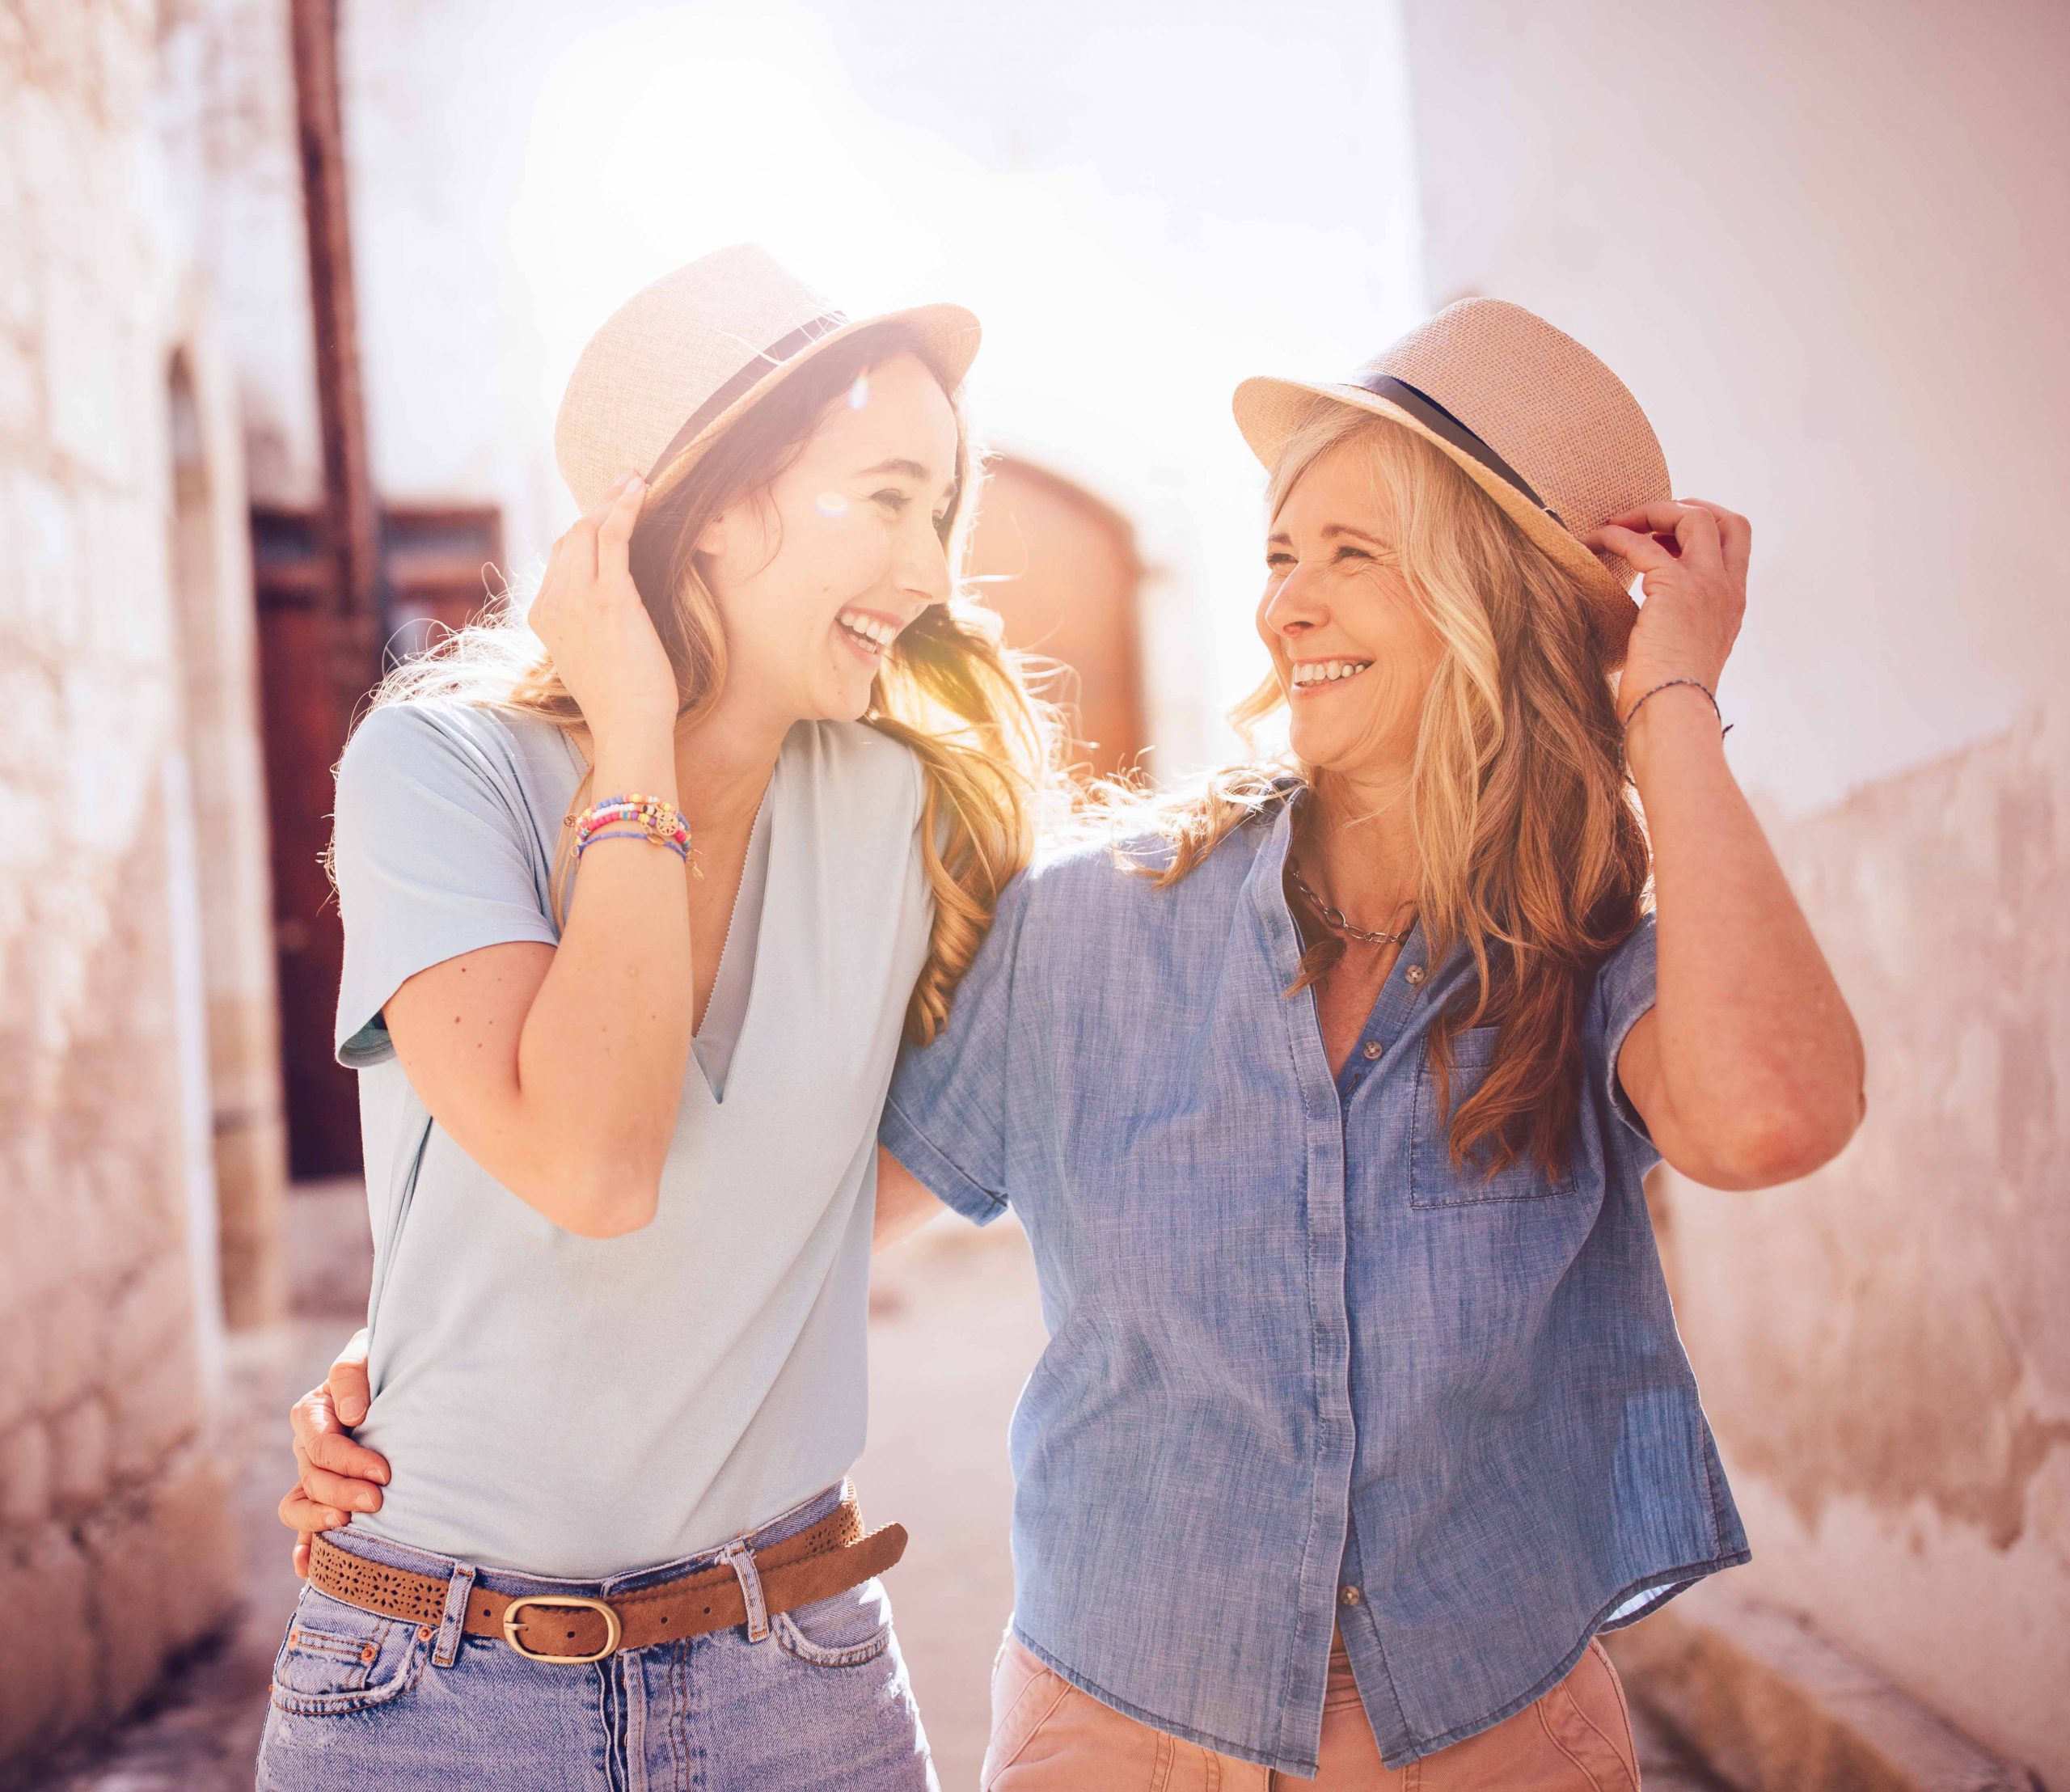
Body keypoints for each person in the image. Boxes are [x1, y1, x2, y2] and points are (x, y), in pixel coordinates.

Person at [872, 300, 1865, 1786]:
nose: (1287, 607)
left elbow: (1770, 1120)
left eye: (1355, 554)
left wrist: (1667, 694)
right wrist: (415, 1364)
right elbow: (800, 1235)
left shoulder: (1588, 960)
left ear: (1497, 598)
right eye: (1282, 555)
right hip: (1119, 1734)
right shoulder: (1089, 925)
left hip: (1501, 1742)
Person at [255, 243, 1053, 1792]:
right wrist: (636, 731)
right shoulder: (443, 774)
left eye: (940, 512)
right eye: (889, 499)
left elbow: (833, 1184)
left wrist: (449, 1324)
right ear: (702, 506)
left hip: (797, 1678)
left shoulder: (902, 812)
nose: (935, 572)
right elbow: (596, 1168)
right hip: (432, 1695)